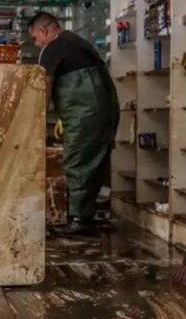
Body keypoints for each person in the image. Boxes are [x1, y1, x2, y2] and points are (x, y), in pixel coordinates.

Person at [28, 12, 120, 235]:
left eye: (34, 38)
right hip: (104, 110)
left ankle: (80, 221)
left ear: (44, 31)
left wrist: (32, 122)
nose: (35, 43)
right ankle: (86, 215)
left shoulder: (52, 49)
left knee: (77, 160)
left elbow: (44, 90)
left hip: (85, 113)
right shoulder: (76, 42)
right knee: (95, 160)